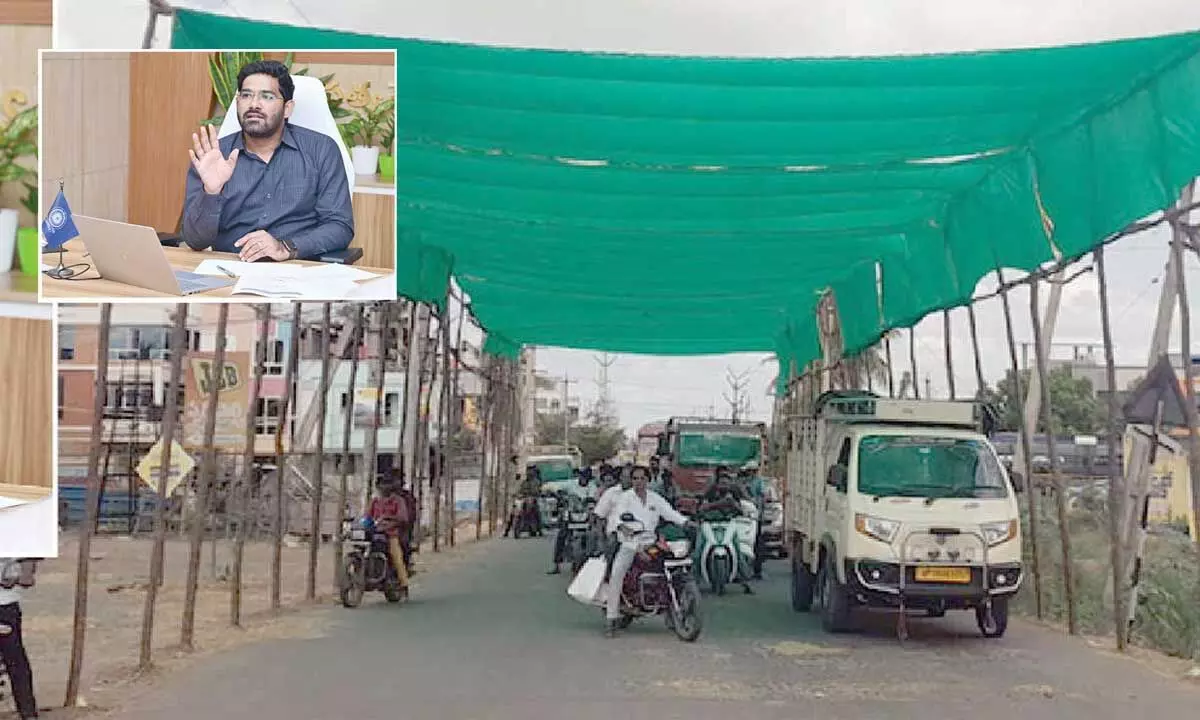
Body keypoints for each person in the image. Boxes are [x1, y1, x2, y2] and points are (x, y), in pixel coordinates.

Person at [183, 59, 354, 261]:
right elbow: (195, 240)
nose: (254, 104)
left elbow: (339, 226)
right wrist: (211, 193)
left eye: (267, 96)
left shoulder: (321, 150)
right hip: (230, 269)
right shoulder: (214, 156)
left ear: (288, 108)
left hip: (298, 269)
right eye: (246, 95)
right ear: (238, 102)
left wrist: (285, 248)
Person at [599, 465, 690, 637]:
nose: (638, 482)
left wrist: (686, 523)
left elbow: (670, 513)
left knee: (671, 565)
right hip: (629, 543)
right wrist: (625, 529)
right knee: (617, 573)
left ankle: (670, 609)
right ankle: (611, 618)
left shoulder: (655, 498)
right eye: (635, 478)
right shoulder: (625, 498)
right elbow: (618, 517)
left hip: (651, 542)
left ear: (648, 480)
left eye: (642, 478)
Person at [0, 558, 38, 718]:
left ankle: (28, 711)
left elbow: (27, 577)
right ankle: (28, 712)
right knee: (15, 660)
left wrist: (19, 576)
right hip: (7, 605)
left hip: (6, 604)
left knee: (15, 659)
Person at [547, 469, 599, 574]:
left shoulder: (592, 487)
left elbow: (594, 498)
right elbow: (555, 488)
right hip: (571, 514)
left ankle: (590, 559)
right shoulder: (571, 483)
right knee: (562, 534)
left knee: (593, 534)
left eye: (586, 477)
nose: (583, 479)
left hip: (586, 516)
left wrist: (589, 502)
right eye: (582, 476)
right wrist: (560, 494)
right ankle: (557, 564)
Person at [367, 482, 411, 599]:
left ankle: (403, 583)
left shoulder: (398, 501)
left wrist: (389, 519)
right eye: (380, 487)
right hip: (375, 533)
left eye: (385, 486)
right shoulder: (375, 501)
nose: (382, 489)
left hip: (391, 534)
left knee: (396, 557)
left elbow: (403, 518)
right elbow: (368, 515)